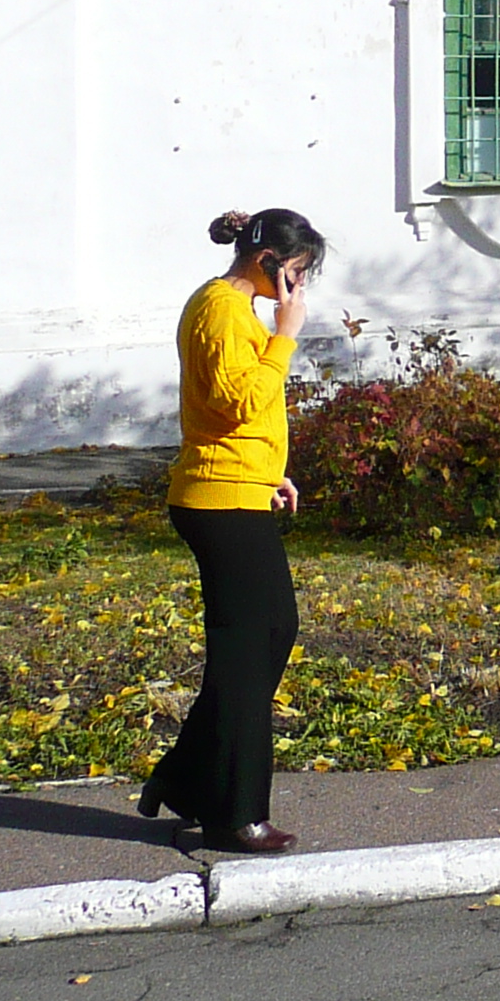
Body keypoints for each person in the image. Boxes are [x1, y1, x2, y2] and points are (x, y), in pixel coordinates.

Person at [139, 207, 324, 853]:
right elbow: (236, 398)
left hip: (237, 491)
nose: (300, 289)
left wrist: (269, 470)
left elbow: (241, 413)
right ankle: (234, 814)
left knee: (269, 637)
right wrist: (287, 335)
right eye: (298, 273)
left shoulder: (234, 309)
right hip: (215, 502)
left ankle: (187, 778)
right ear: (267, 260)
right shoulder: (221, 306)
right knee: (248, 654)